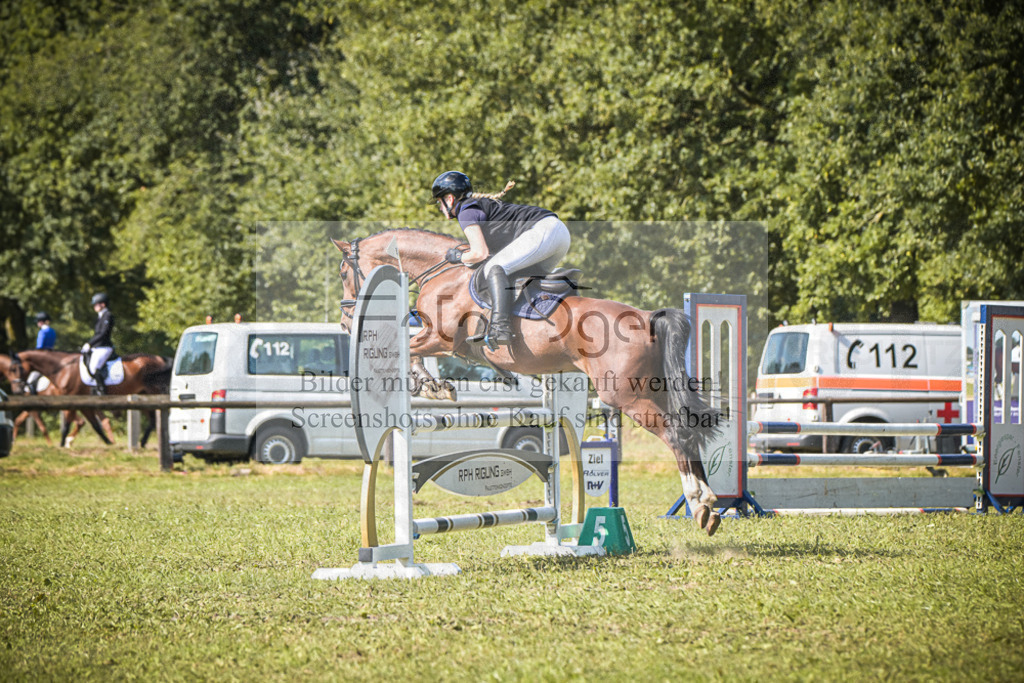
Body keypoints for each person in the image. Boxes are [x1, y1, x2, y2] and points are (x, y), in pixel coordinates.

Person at [431, 171, 570, 348]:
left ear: (449, 199)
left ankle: (500, 328)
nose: (439, 206)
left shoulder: (466, 212)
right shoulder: (478, 206)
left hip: (544, 231)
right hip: (558, 234)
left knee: (493, 268)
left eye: (439, 201)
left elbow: (479, 253)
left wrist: (458, 256)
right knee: (514, 274)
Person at [82, 293, 115, 395]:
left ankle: (102, 390)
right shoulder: (100, 316)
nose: (94, 307)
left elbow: (103, 334)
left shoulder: (108, 315)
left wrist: (90, 344)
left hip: (105, 347)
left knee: (94, 367)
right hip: (98, 347)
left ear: (103, 304)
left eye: (96, 304)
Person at [24, 312, 57, 394]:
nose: (37, 323)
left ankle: (32, 396)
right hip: (52, 356)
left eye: (38, 321)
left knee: (31, 380)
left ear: (41, 322)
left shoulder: (42, 332)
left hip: (42, 358)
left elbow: (39, 347)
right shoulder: (53, 331)